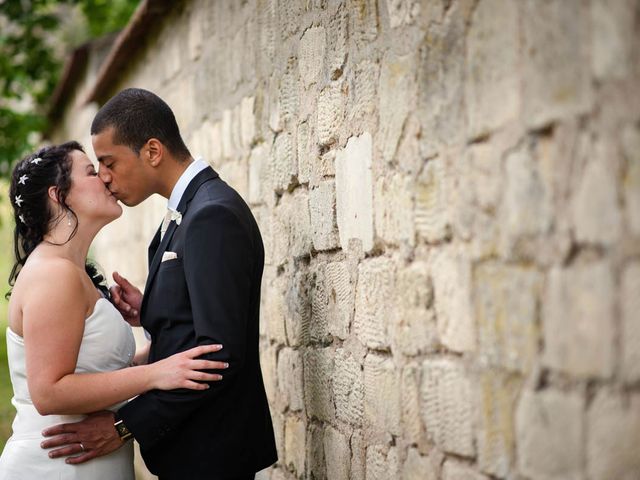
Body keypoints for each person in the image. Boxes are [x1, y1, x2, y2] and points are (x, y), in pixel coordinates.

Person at [41, 88, 278, 479]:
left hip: (211, 455)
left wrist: (125, 425)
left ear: (152, 151)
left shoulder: (210, 213)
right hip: (191, 450)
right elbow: (194, 320)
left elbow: (219, 355)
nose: (103, 177)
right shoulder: (188, 210)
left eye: (109, 161)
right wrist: (151, 309)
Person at [0, 141, 228, 480]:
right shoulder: (53, 274)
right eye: (92, 172)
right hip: (57, 465)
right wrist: (156, 374)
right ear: (59, 195)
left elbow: (101, 370)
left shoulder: (70, 270)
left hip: (89, 461)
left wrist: (165, 328)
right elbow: (48, 391)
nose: (106, 179)